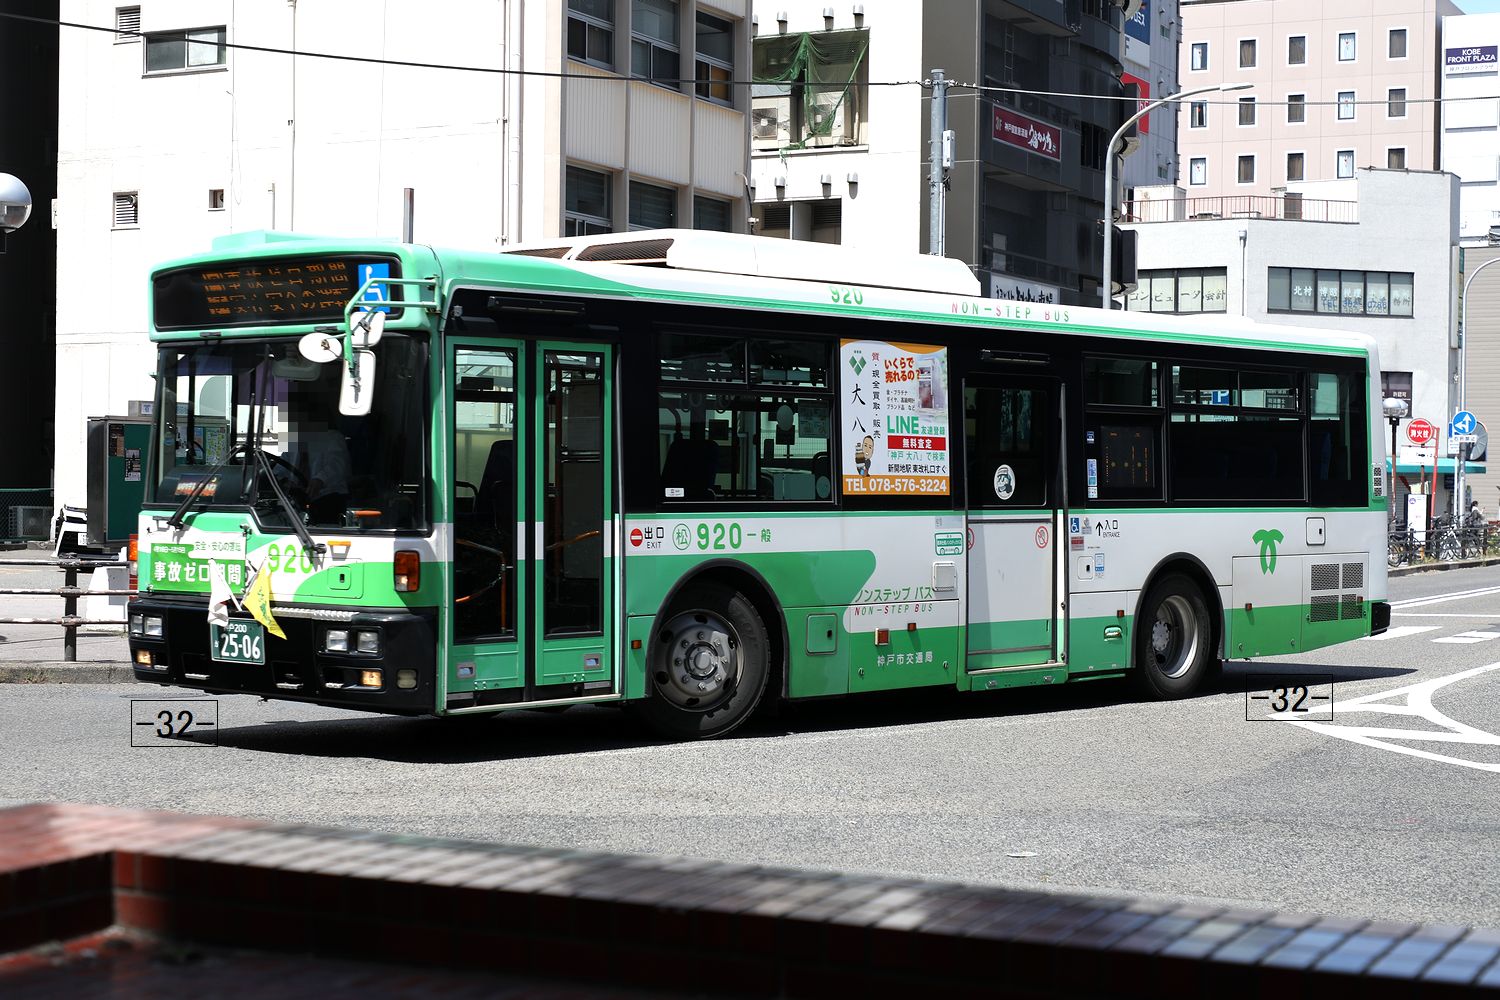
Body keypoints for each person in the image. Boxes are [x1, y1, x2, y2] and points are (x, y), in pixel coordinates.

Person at [286, 389, 352, 524]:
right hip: (298, 498)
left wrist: (320, 479)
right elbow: (284, 462)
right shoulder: (295, 440)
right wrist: (280, 477)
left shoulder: (333, 437)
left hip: (328, 497)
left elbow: (337, 465)